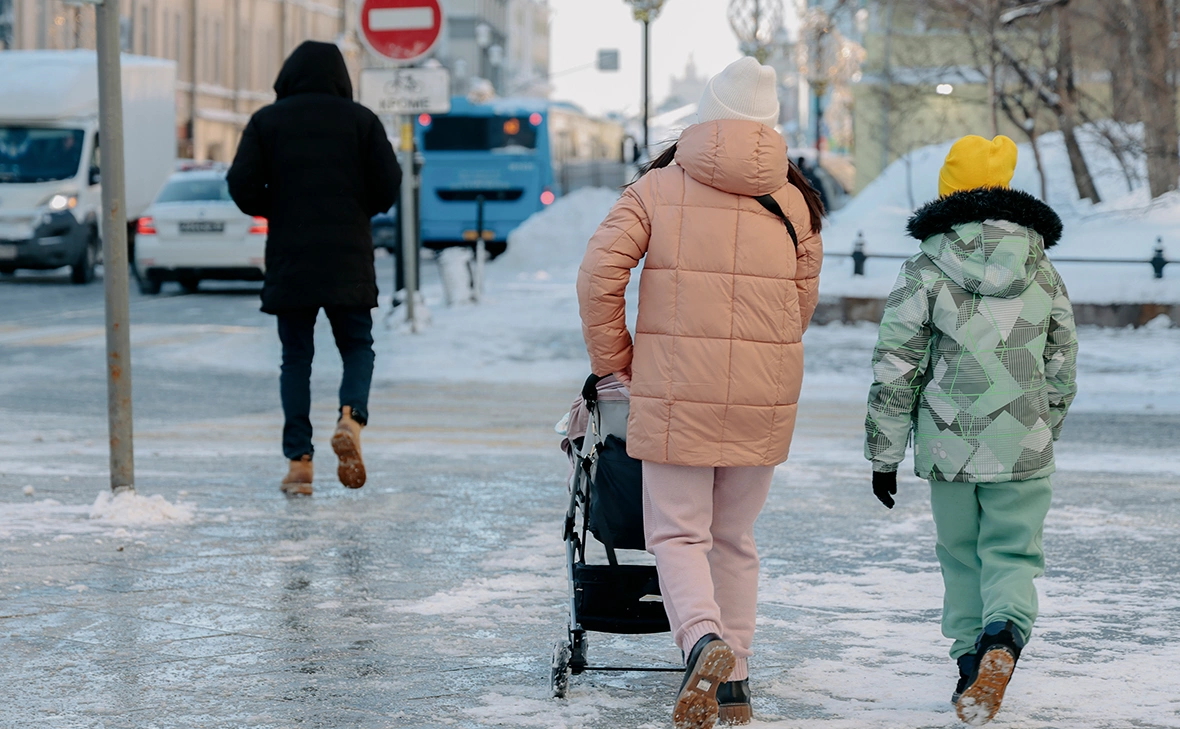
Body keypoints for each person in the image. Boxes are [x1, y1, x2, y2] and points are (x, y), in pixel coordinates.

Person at [578, 57, 824, 729]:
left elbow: (599, 273)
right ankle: (734, 682)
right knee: (734, 536)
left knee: (678, 534)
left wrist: (616, 363)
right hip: (763, 397)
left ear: (706, 114)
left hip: (673, 391)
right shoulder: (795, 201)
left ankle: (702, 641)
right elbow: (798, 307)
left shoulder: (657, 189)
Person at [864, 135, 1078, 725]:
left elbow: (896, 362)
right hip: (1023, 439)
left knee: (961, 556)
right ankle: (1003, 637)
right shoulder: (1042, 266)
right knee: (1013, 551)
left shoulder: (927, 265)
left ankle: (968, 667)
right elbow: (1062, 357)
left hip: (949, 442)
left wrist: (885, 453)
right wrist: (1043, 423)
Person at [227, 41, 401, 496]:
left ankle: (299, 463)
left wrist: (279, 206)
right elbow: (389, 183)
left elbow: (240, 183)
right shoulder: (362, 120)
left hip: (292, 257)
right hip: (349, 255)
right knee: (358, 346)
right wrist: (356, 206)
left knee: (296, 360)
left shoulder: (267, 121)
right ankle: (351, 416)